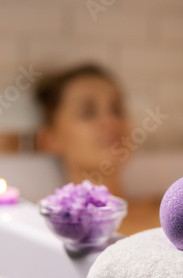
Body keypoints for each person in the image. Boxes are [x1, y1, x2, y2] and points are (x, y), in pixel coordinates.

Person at [34, 64, 160, 235]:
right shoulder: (46, 225)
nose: (110, 120)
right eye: (88, 112)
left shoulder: (169, 209)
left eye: (117, 109)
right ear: (50, 139)